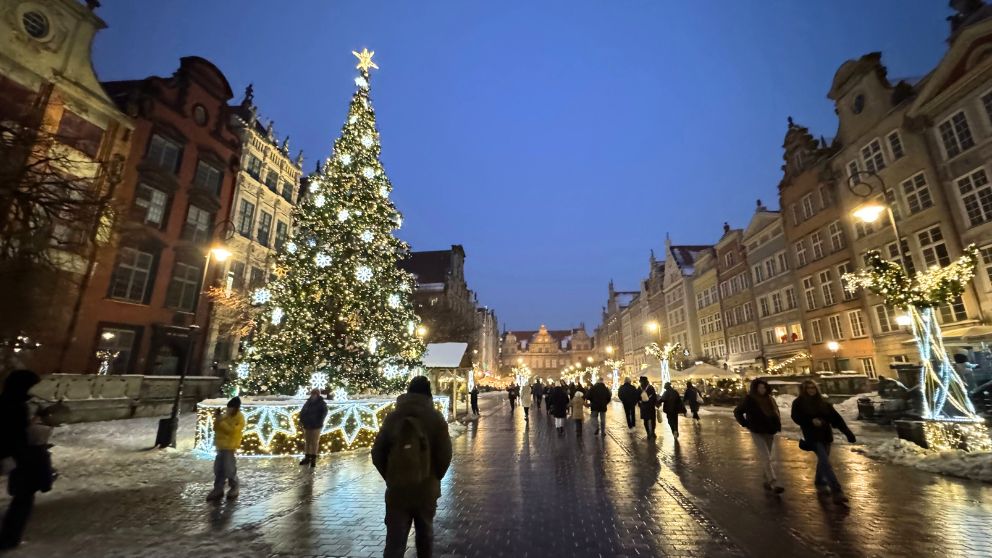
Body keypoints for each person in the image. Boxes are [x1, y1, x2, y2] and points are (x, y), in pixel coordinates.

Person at [372, 376, 453, 558]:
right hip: (426, 488)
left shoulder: (393, 417)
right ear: (428, 394)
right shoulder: (435, 418)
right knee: (425, 536)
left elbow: (377, 452)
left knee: (395, 540)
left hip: (397, 489)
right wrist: (434, 476)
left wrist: (391, 475)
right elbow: (445, 454)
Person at [0, 369, 54, 550]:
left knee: (22, 497)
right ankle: (9, 538)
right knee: (23, 499)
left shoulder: (8, 401)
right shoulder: (16, 406)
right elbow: (16, 433)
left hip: (14, 455)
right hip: (18, 456)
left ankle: (9, 537)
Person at [791, 379, 855, 505]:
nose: (811, 390)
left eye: (813, 387)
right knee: (826, 462)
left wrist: (847, 432)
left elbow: (836, 418)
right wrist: (810, 421)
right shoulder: (799, 402)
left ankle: (819, 481)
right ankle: (836, 491)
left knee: (823, 461)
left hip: (826, 435)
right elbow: (796, 417)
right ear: (804, 390)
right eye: (808, 388)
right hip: (812, 436)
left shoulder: (823, 402)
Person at [734, 379, 783, 493]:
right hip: (757, 431)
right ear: (755, 388)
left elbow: (776, 412)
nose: (762, 390)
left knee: (768, 456)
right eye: (760, 388)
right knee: (765, 456)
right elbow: (737, 411)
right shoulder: (749, 399)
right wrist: (745, 423)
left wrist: (776, 424)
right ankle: (773, 482)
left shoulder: (770, 399)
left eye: (764, 387)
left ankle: (766, 480)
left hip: (769, 430)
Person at [207, 396, 245, 501]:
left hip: (229, 447)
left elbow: (232, 431)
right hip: (220, 446)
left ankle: (234, 487)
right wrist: (218, 418)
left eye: (231, 408)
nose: (228, 410)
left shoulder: (239, 418)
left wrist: (221, 422)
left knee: (229, 469)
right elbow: (216, 428)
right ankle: (218, 489)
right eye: (228, 407)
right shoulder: (225, 416)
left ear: (236, 408)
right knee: (218, 469)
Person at [299, 389, 328, 468]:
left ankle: (313, 459)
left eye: (315, 394)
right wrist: (301, 420)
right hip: (307, 425)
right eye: (312, 394)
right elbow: (303, 412)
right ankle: (307, 457)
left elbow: (324, 413)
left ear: (318, 395)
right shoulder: (308, 402)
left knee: (314, 442)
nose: (313, 395)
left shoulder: (321, 403)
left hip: (316, 425)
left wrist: (319, 421)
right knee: (307, 442)